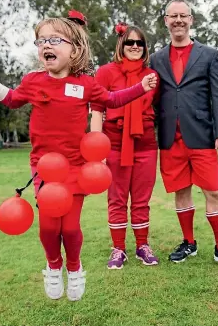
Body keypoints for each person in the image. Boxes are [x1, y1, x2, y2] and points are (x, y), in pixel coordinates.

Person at [0, 10, 157, 301]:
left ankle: (75, 268)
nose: (46, 45)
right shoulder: (33, 81)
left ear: (75, 49)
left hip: (76, 167)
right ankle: (54, 266)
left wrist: (139, 88)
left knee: (70, 226)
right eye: (41, 41)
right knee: (50, 226)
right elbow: (13, 99)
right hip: (45, 169)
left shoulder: (86, 84)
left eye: (55, 40)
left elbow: (111, 99)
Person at [149, 0, 218, 267]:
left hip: (202, 135)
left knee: (213, 191)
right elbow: (153, 98)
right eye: (173, 16)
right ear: (166, 21)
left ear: (191, 20)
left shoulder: (208, 54)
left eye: (183, 15)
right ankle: (189, 243)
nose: (178, 20)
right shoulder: (156, 59)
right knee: (180, 191)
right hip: (171, 137)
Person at [90, 23, 159, 269]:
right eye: (130, 42)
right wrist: (96, 151)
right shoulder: (106, 72)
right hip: (114, 143)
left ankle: (142, 245)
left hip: (146, 144)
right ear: (121, 44)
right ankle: (118, 248)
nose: (135, 46)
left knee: (142, 199)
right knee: (117, 199)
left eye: (140, 43)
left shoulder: (152, 75)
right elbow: (97, 111)